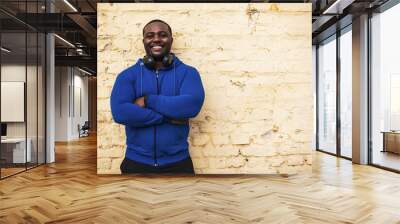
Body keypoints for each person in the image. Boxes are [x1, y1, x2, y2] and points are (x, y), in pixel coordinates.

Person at [110, 19, 205, 174]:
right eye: (150, 35)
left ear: (171, 40)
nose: (156, 39)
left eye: (162, 35)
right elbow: (120, 112)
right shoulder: (127, 76)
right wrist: (169, 117)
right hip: (135, 162)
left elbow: (191, 105)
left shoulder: (188, 73)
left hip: (179, 163)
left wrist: (148, 100)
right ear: (144, 41)